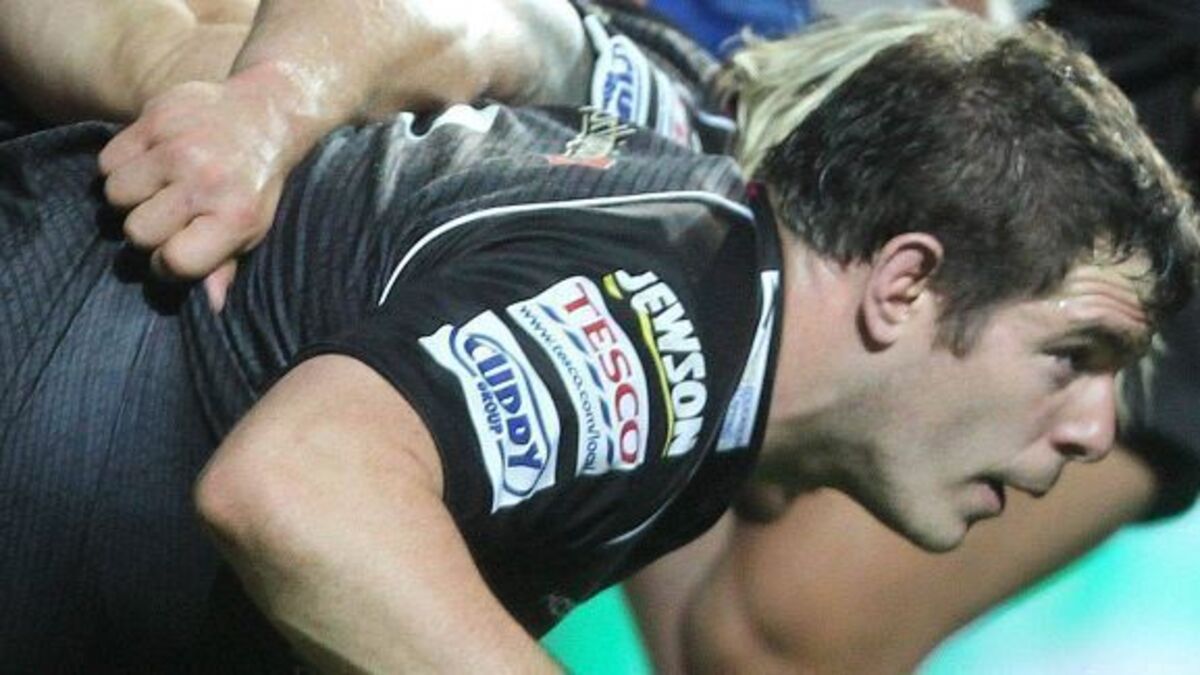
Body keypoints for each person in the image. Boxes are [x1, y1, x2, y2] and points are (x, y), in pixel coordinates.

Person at [2, 5, 1197, 673]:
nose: (1097, 430)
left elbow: (478, 23)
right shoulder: (682, 325)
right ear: (905, 285)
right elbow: (299, 489)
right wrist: (263, 106)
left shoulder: (714, 148)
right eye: (1075, 355)